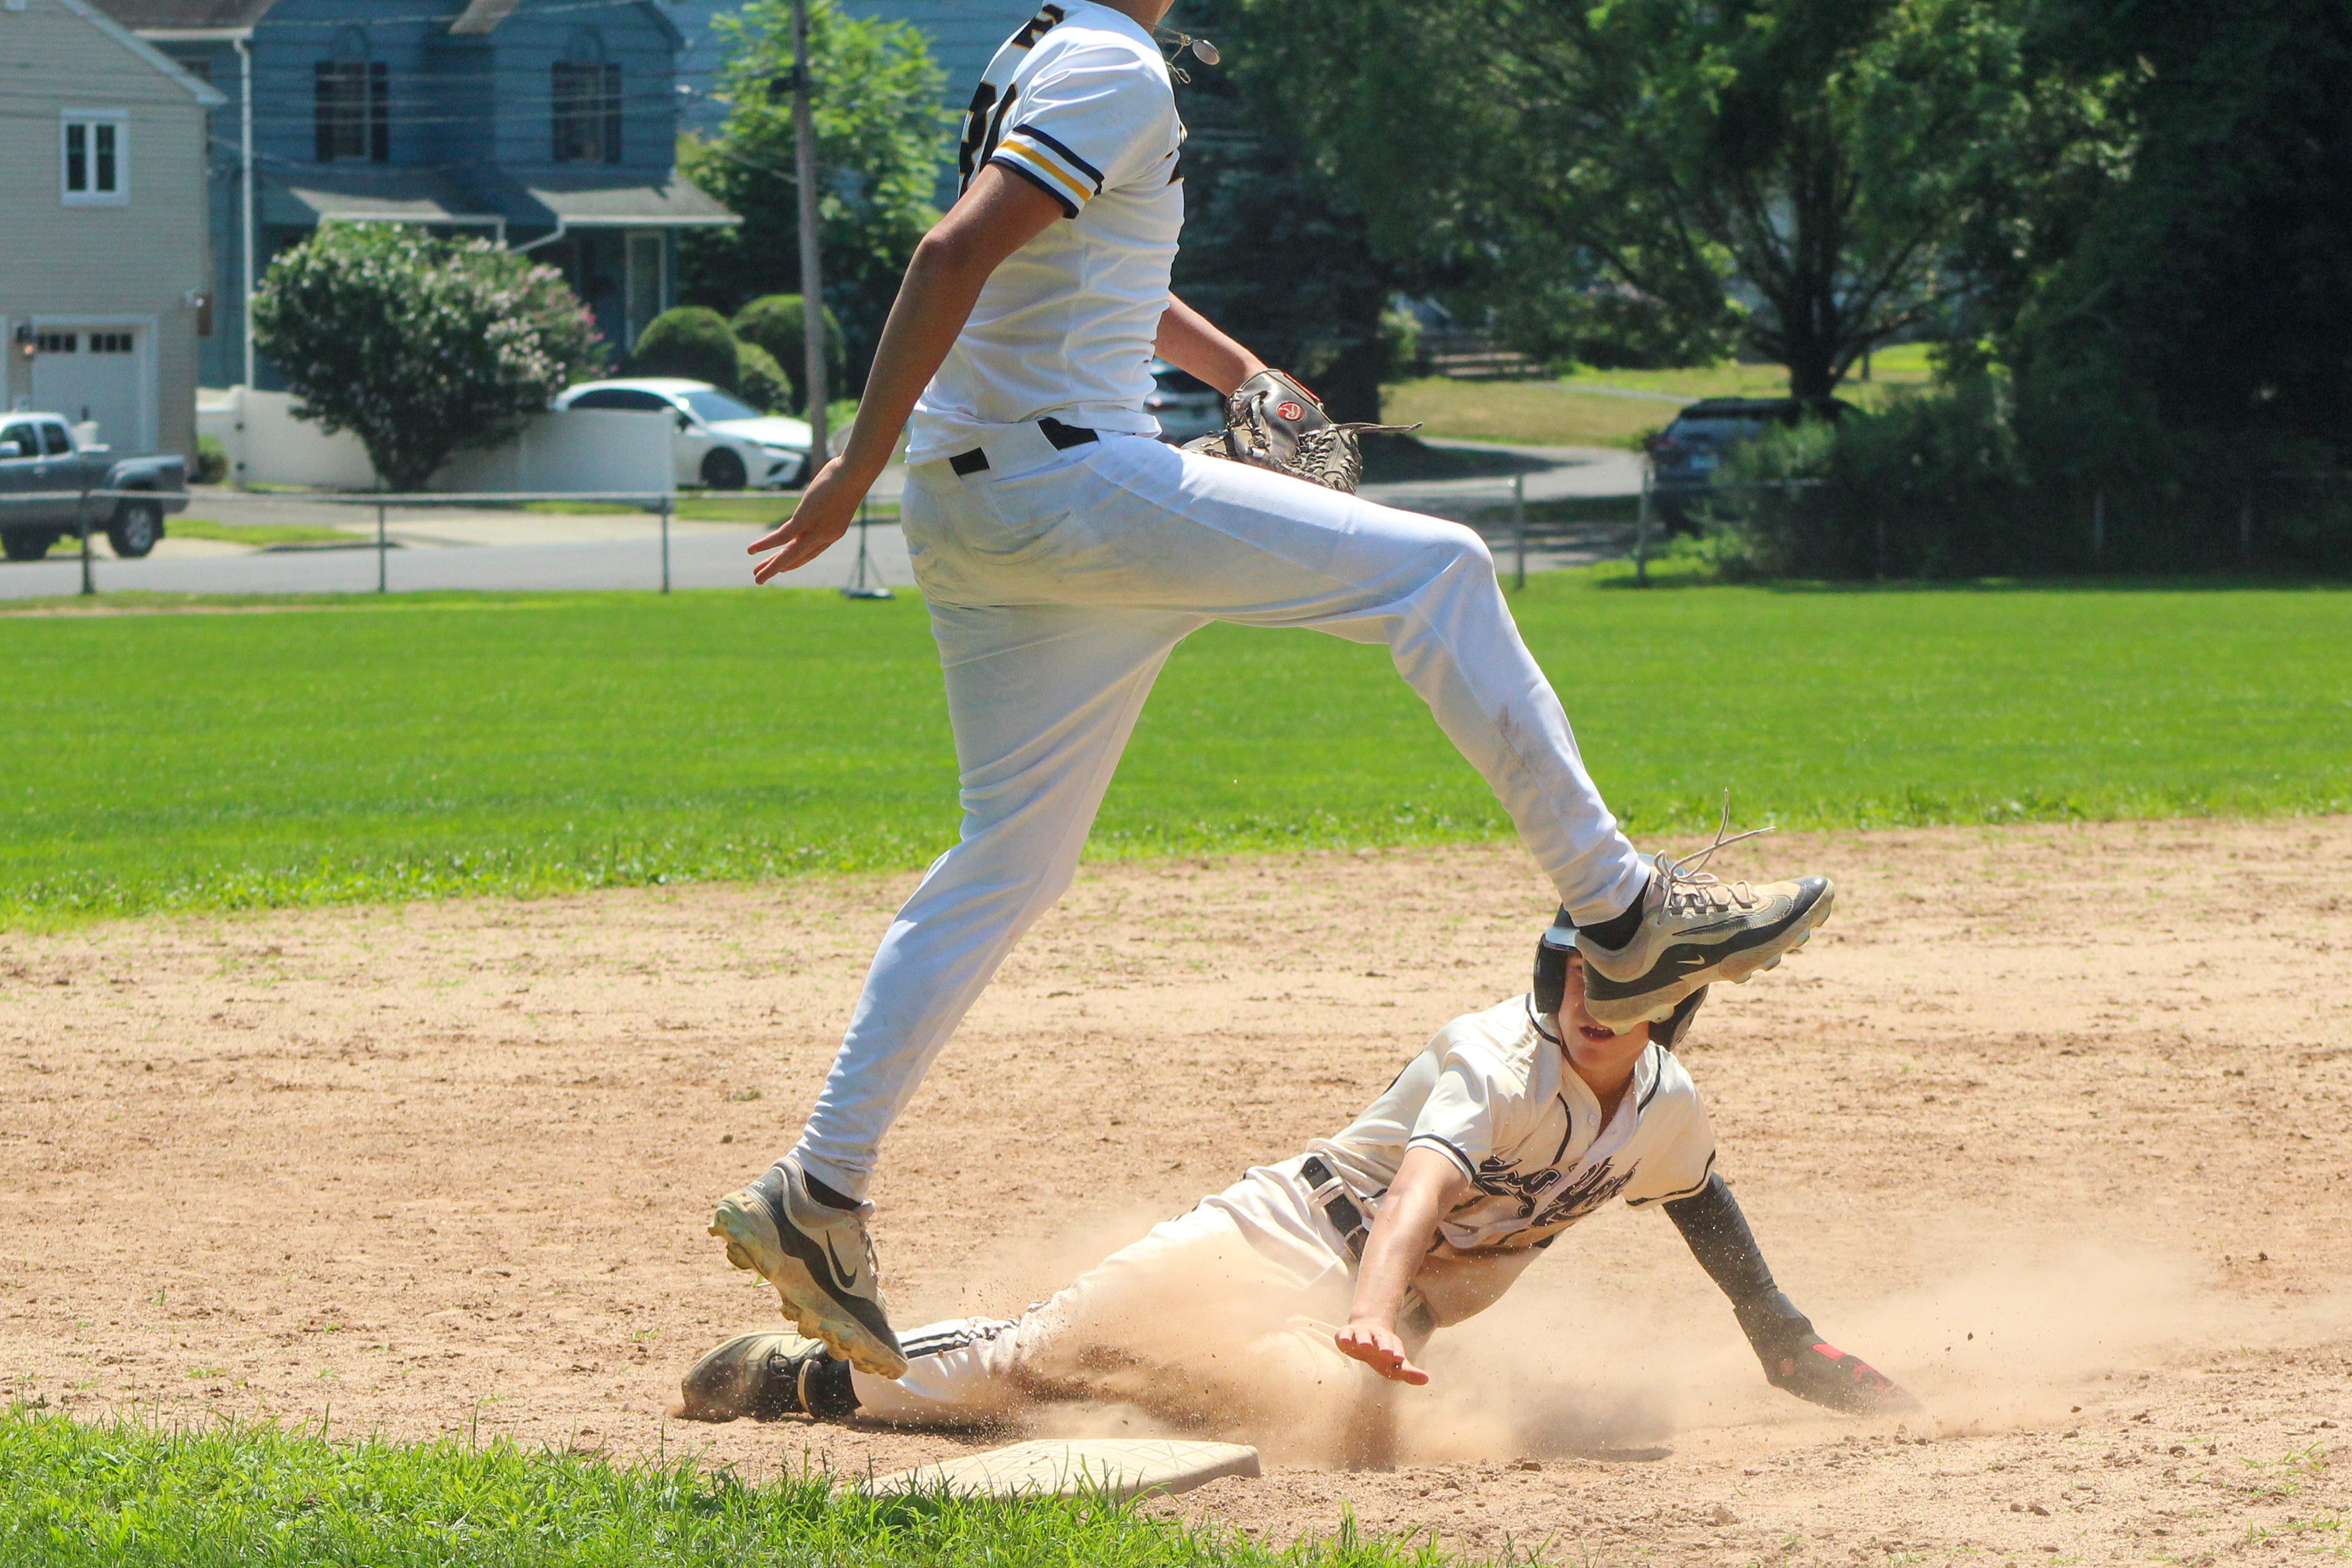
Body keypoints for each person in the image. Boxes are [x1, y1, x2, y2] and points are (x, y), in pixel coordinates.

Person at [710, 0, 1833, 1380]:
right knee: (1440, 570)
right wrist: (848, 461)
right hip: (1069, 486)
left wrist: (1236, 371)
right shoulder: (1116, 61)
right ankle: (1621, 907)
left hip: (987, 507)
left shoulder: (1045, 47)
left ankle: (819, 1188)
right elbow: (952, 254)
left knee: (1006, 861)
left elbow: (1076, 266)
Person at [682, 920, 1912, 1447]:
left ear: (1672, 1006)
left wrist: (1785, 1340)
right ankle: (803, 1375)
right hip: (1285, 1235)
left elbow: (1699, 1198)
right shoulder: (1499, 1060)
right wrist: (1370, 1307)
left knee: (1237, 1413)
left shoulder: (1665, 1108)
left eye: (1627, 982)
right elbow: (1418, 1192)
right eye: (1582, 971)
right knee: (1034, 1360)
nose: (1595, 998)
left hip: (1383, 1319)